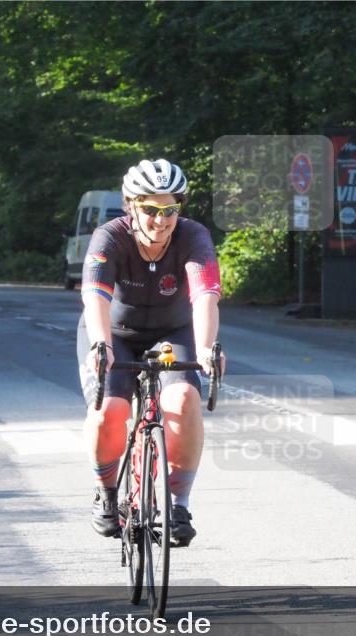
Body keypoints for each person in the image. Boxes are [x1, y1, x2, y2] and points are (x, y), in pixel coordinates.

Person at [78, 159, 225, 546]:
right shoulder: (109, 237)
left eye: (170, 210)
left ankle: (180, 504)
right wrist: (101, 345)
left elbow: (205, 295)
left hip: (171, 331)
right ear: (131, 206)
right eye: (150, 209)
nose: (161, 220)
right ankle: (107, 492)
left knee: (182, 398)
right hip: (114, 330)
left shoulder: (193, 237)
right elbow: (94, 296)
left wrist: (207, 348)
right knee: (110, 410)